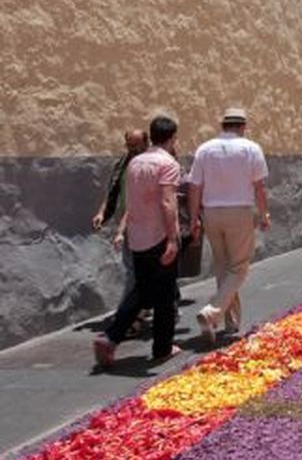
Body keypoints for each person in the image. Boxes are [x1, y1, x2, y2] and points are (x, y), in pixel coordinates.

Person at [93, 116, 182, 367]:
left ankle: (111, 336)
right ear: (172, 137)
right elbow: (167, 202)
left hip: (138, 236)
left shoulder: (135, 163)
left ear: (151, 136)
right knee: (164, 295)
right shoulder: (168, 163)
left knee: (142, 290)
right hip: (159, 236)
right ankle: (162, 348)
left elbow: (130, 202)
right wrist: (173, 239)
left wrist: (125, 229)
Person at [190, 108, 270, 344]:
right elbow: (259, 187)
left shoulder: (204, 149)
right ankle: (212, 311)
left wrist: (195, 217)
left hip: (211, 213)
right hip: (239, 211)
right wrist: (264, 213)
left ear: (223, 125)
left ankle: (230, 322)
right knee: (240, 267)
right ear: (243, 126)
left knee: (224, 267)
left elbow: (195, 186)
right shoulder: (250, 148)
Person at [93, 130, 149, 300]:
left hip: (150, 222)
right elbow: (113, 191)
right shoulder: (122, 164)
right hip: (129, 223)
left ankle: (156, 306)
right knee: (131, 266)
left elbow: (139, 199)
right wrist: (102, 213)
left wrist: (120, 231)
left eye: (136, 145)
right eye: (129, 145)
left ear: (146, 143)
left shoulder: (150, 164)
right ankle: (137, 309)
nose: (132, 149)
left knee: (152, 266)